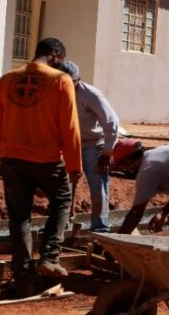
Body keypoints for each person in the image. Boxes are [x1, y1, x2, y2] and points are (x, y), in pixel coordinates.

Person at [0, 37, 82, 293]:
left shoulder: (6, 80)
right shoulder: (61, 81)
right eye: (60, 62)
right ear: (54, 55)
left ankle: (22, 276)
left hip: (12, 159)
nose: (60, 67)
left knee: (19, 217)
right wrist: (75, 165)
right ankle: (50, 257)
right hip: (47, 159)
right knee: (62, 199)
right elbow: (70, 126)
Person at [56, 60, 121, 233]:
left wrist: (107, 153)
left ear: (78, 80)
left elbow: (112, 122)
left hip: (93, 145)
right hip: (69, 145)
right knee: (64, 186)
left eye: (71, 83)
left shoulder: (91, 95)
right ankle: (64, 224)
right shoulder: (56, 92)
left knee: (98, 186)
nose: (67, 87)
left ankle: (100, 228)